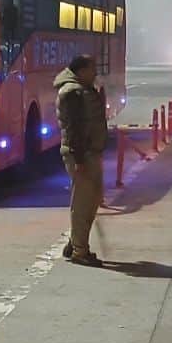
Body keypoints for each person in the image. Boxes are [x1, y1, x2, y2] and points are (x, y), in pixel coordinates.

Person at [56, 55, 109, 267]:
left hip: (89, 153)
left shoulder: (82, 89)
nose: (95, 73)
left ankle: (75, 242)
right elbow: (74, 128)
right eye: (92, 69)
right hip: (82, 154)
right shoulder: (72, 93)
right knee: (83, 203)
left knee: (92, 198)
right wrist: (79, 158)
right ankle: (80, 251)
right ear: (81, 71)